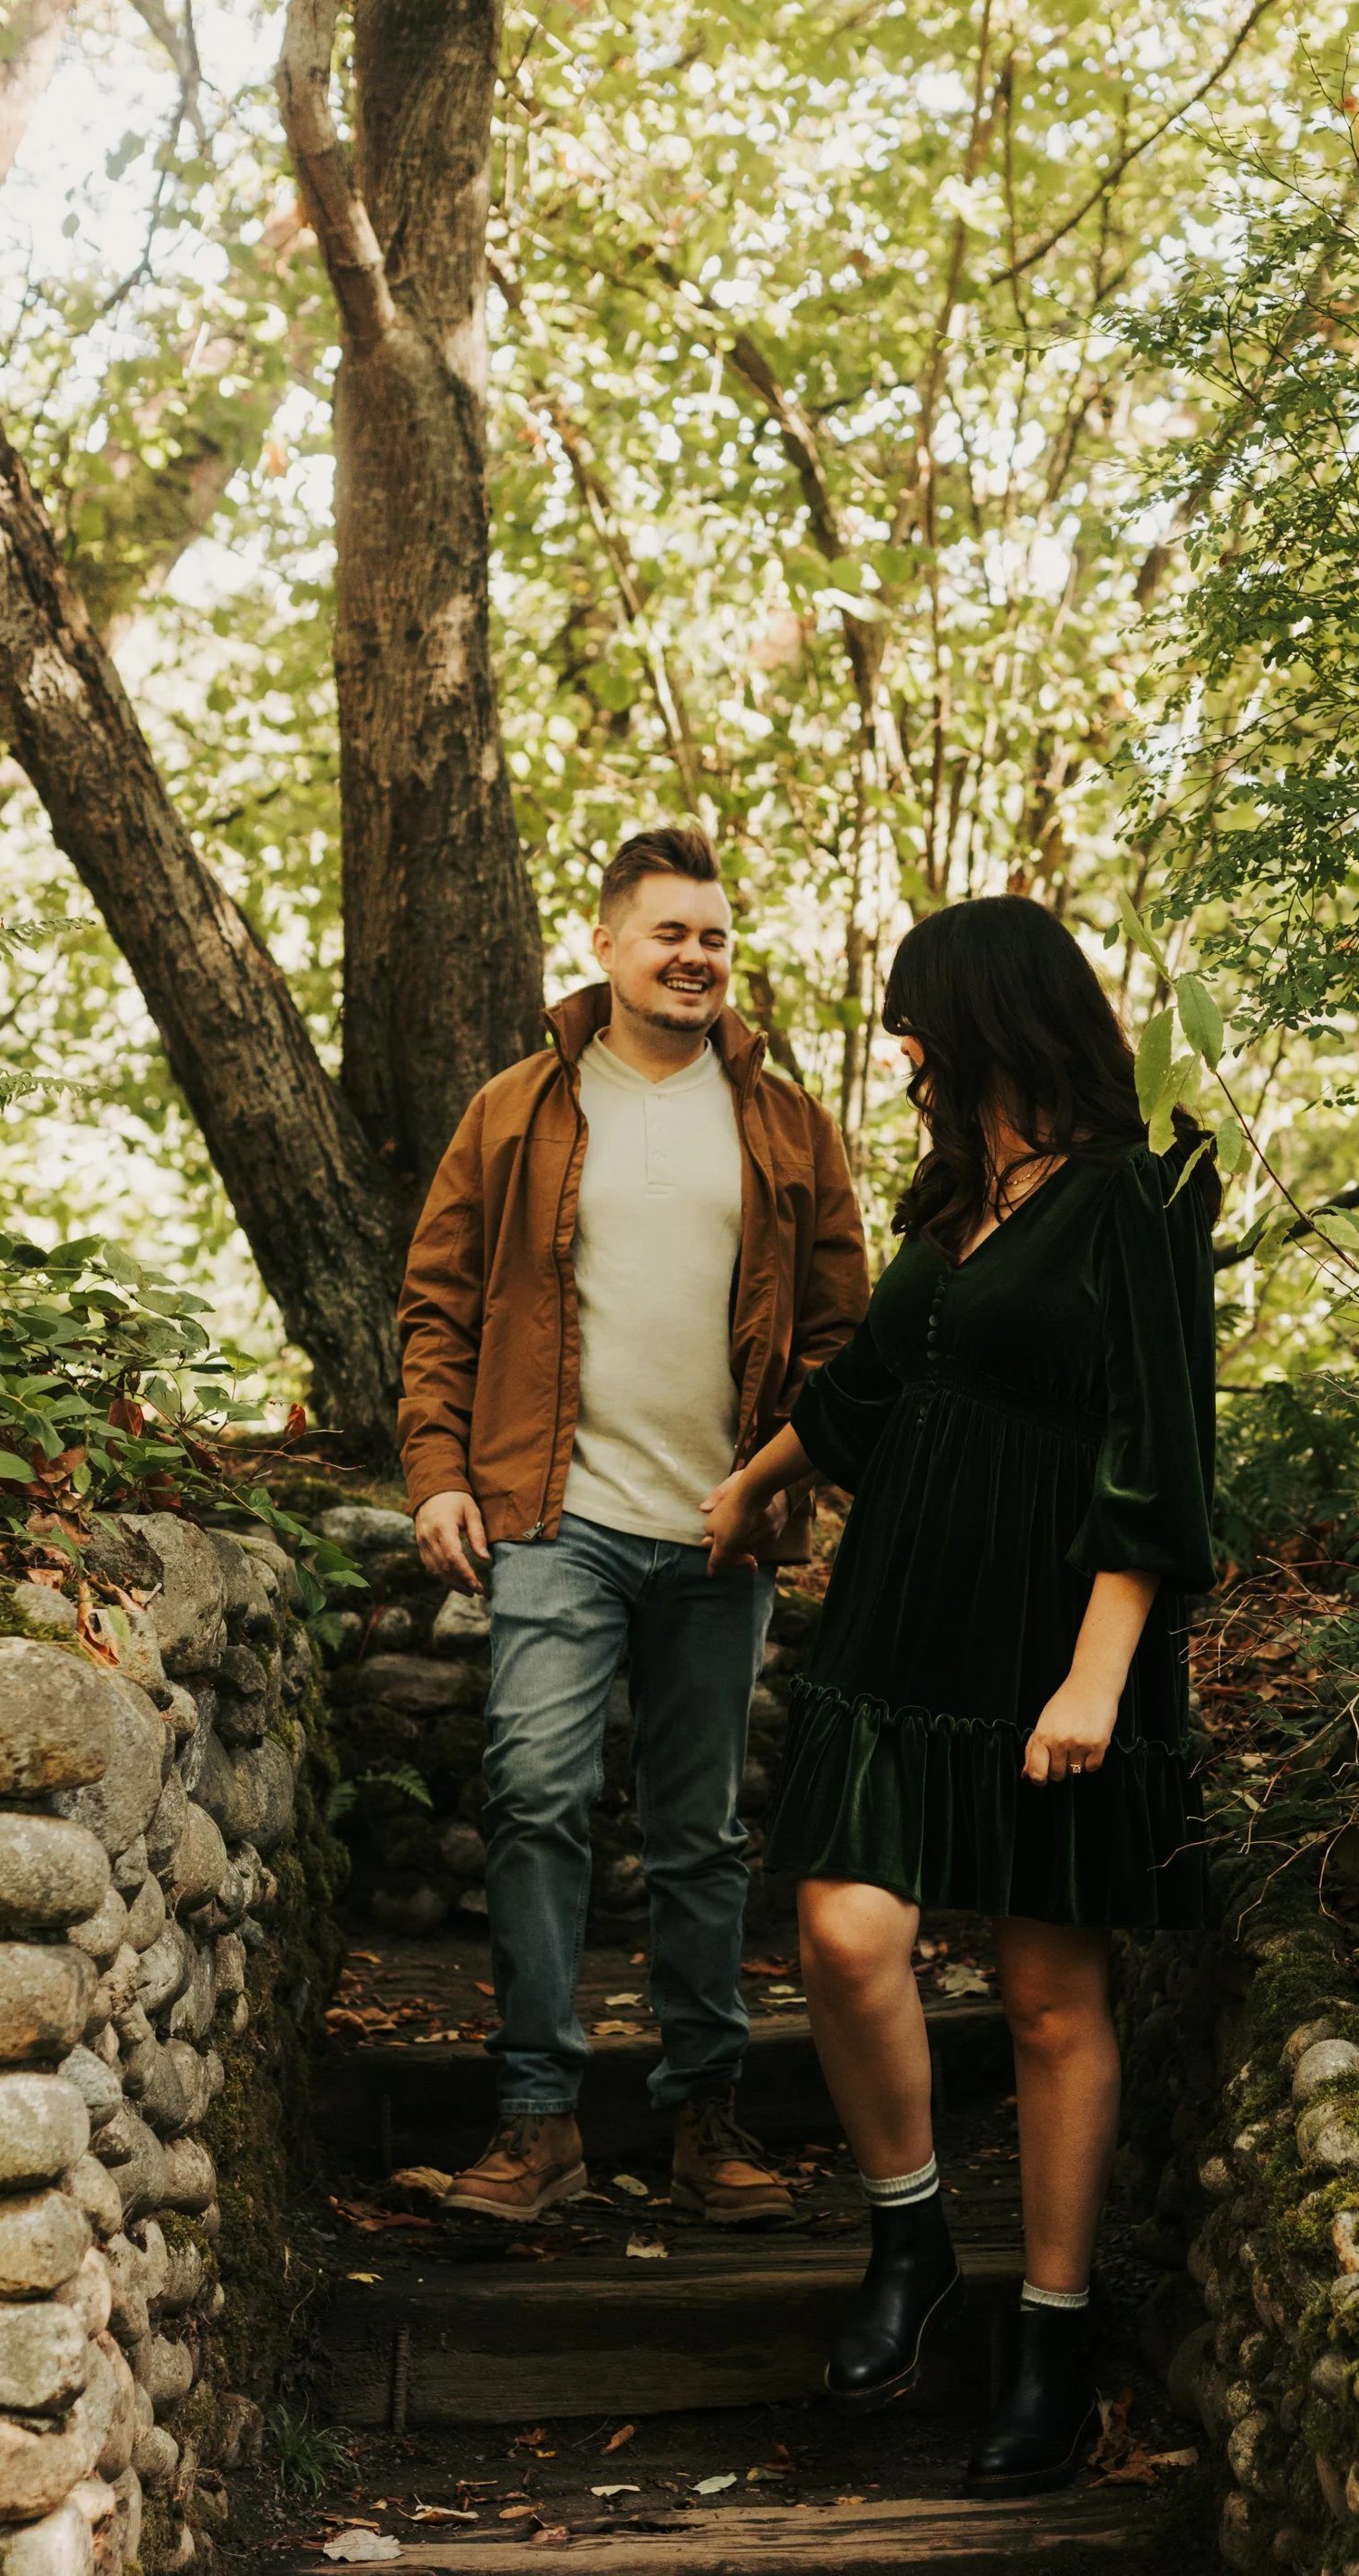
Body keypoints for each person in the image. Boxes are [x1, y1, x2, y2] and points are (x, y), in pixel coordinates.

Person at [700, 897, 1216, 2496]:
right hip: (900, 1624)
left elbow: (1158, 1451)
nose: (905, 1044)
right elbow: (872, 1389)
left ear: (993, 1012)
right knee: (844, 1934)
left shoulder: (1134, 1198)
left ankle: (1050, 2343)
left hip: (1054, 1634)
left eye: (918, 1015)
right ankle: (911, 2239)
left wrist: (1096, 1676)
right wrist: (754, 1484)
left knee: (1050, 1995)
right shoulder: (954, 1198)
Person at [397, 825, 869, 2226]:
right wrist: (437, 1472)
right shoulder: (514, 1110)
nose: (696, 957)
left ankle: (704, 2119)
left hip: (722, 1527)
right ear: (604, 946)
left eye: (714, 936)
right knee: (534, 1796)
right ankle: (537, 2120)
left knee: (699, 1833)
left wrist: (781, 1482)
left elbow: (839, 1334)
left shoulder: (785, 1125)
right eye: (669, 933)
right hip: (556, 1516)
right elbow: (438, 1304)